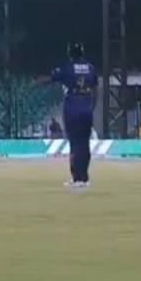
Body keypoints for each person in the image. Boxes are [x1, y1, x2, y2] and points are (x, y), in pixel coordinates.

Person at [51, 43, 98, 189]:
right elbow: (95, 89)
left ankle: (77, 178)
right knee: (85, 143)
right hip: (87, 108)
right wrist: (91, 107)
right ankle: (84, 177)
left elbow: (54, 76)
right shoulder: (91, 68)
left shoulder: (67, 67)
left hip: (72, 108)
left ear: (70, 53)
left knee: (75, 143)